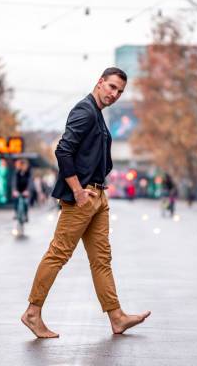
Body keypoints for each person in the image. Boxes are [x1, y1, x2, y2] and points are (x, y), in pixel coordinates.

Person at [21, 67, 150, 339]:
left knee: (102, 259)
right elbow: (63, 149)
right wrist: (78, 191)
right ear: (100, 82)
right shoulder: (85, 110)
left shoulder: (98, 115)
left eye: (120, 91)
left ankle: (117, 317)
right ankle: (32, 313)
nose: (115, 94)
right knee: (59, 253)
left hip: (98, 197)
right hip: (83, 198)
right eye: (112, 87)